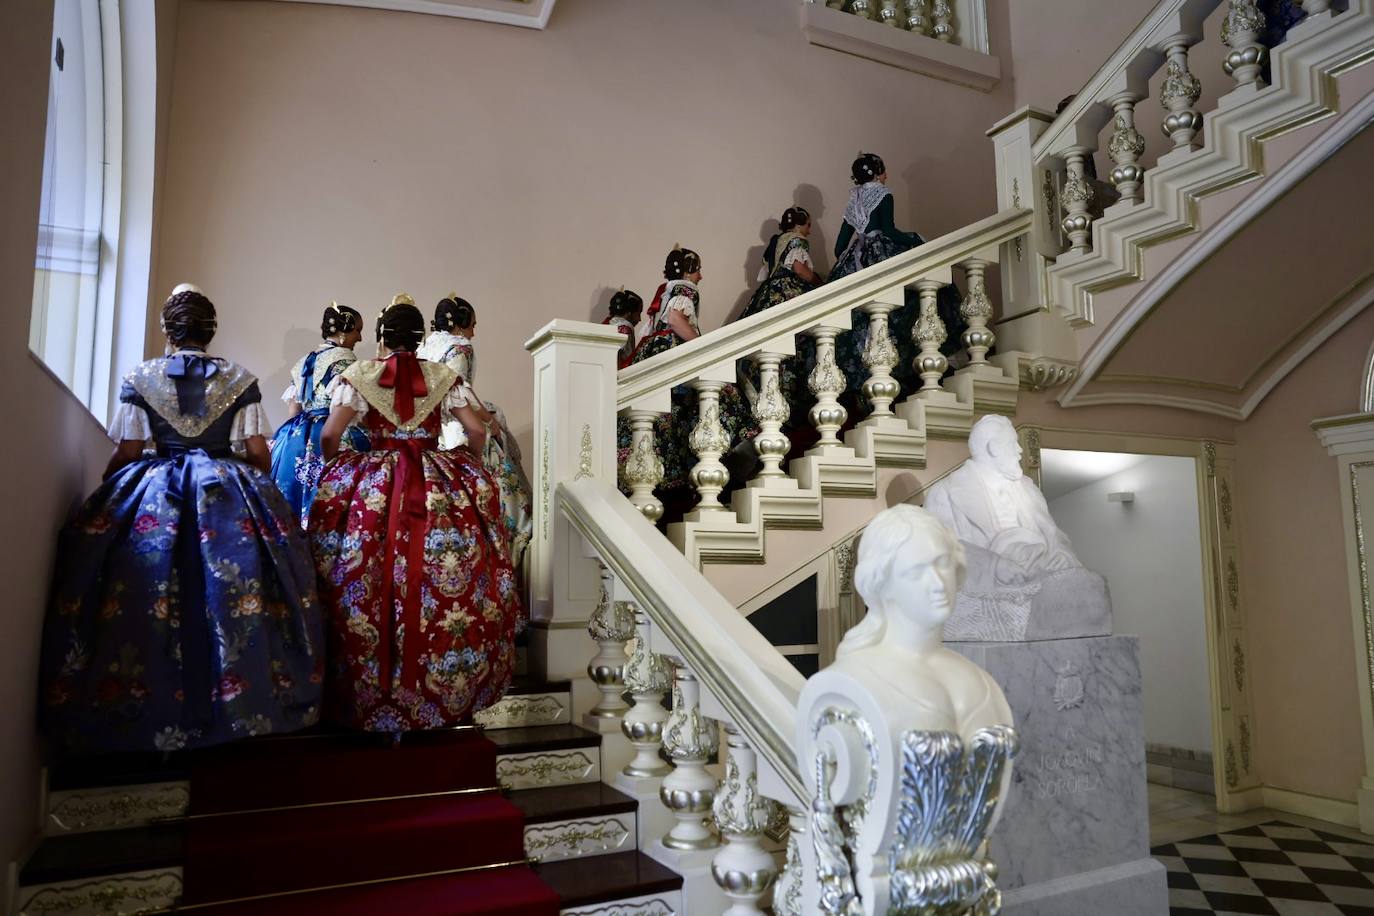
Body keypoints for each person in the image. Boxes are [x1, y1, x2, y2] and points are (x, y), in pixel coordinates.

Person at [39, 285, 324, 754]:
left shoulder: (142, 375)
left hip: (155, 490)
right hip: (228, 491)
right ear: (211, 331)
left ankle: (147, 709)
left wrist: (106, 493)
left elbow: (128, 451)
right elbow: (256, 452)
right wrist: (264, 497)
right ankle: (240, 704)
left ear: (167, 330)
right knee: (239, 588)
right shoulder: (239, 377)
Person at [310, 295, 521, 733]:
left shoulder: (360, 374)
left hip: (375, 486)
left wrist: (339, 466)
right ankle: (441, 689)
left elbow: (330, 434)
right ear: (421, 338)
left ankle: (367, 692)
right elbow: (478, 430)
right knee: (441, 577)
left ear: (383, 338)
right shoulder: (443, 375)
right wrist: (467, 462)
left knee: (365, 574)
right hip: (434, 481)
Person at [618, 247, 758, 505]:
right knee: (720, 393)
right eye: (698, 270)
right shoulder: (685, 289)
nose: (700, 276)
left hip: (654, 353)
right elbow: (674, 318)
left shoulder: (667, 289)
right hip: (673, 350)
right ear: (687, 270)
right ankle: (737, 459)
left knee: (660, 416)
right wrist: (701, 346)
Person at [828, 153, 963, 410]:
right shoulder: (883, 193)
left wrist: (851, 257)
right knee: (914, 296)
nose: (886, 174)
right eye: (884, 169)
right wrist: (913, 238)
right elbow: (889, 231)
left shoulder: (853, 201)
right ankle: (911, 369)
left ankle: (865, 381)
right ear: (879, 172)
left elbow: (838, 247)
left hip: (857, 258)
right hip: (883, 254)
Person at [416, 295, 533, 579]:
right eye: (473, 325)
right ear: (462, 323)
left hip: (432, 434)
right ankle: (499, 565)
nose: (474, 332)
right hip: (458, 428)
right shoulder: (460, 348)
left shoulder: (426, 347)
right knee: (503, 498)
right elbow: (460, 393)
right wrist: (490, 421)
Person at [269, 302, 370, 527]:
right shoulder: (347, 360)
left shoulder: (303, 361)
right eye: (357, 330)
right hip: (333, 429)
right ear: (343, 332)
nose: (360, 338)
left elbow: (294, 409)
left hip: (298, 433)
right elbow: (350, 404)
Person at [735, 207, 824, 426]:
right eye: (809, 225)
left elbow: (765, 273)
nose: (810, 231)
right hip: (788, 292)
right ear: (799, 224)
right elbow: (799, 268)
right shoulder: (797, 239)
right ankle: (791, 404)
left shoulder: (776, 241)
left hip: (768, 293)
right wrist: (817, 280)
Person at [602, 288, 643, 370]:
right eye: (638, 313)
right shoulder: (625, 329)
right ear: (629, 313)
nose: (639, 319)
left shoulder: (606, 324)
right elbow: (617, 354)